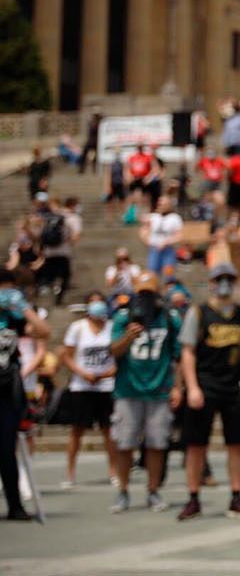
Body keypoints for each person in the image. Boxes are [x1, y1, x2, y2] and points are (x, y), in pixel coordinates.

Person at [177, 263, 240, 520]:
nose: (224, 283)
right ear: (211, 282)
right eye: (220, 278)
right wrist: (192, 387)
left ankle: (236, 496)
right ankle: (193, 497)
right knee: (196, 444)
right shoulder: (199, 312)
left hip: (233, 386)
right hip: (205, 384)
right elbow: (187, 351)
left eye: (229, 278)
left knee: (236, 444)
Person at [108, 271, 181, 513]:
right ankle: (123, 491)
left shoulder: (170, 318)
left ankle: (153, 490)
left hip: (159, 390)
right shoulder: (123, 317)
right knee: (125, 443)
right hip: (128, 389)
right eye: (142, 293)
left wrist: (178, 386)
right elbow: (114, 351)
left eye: (151, 293)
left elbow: (178, 355)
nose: (147, 298)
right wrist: (128, 336)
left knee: (157, 444)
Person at [2, 269, 50, 520]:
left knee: (6, 448)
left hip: (7, 389)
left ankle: (14, 505)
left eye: (9, 290)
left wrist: (23, 307)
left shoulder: (13, 318)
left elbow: (43, 331)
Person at [60, 292, 118, 489]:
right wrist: (83, 373)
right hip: (82, 385)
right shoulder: (77, 328)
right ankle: (70, 472)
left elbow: (119, 355)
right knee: (76, 430)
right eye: (93, 303)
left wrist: (107, 374)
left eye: (100, 302)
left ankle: (113, 471)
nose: (97, 306)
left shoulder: (112, 327)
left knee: (109, 430)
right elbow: (66, 356)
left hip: (106, 385)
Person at [36, 193, 80, 301]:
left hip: (49, 252)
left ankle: (47, 291)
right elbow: (75, 236)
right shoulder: (67, 217)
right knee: (65, 276)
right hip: (63, 252)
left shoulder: (45, 217)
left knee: (50, 275)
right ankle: (58, 297)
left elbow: (39, 234)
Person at [141, 195, 182, 278]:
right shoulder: (153, 217)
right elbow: (143, 230)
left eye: (163, 203)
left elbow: (179, 235)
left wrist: (166, 242)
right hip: (154, 249)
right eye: (160, 203)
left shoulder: (175, 218)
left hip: (168, 250)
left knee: (169, 273)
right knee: (152, 274)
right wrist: (147, 240)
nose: (160, 205)